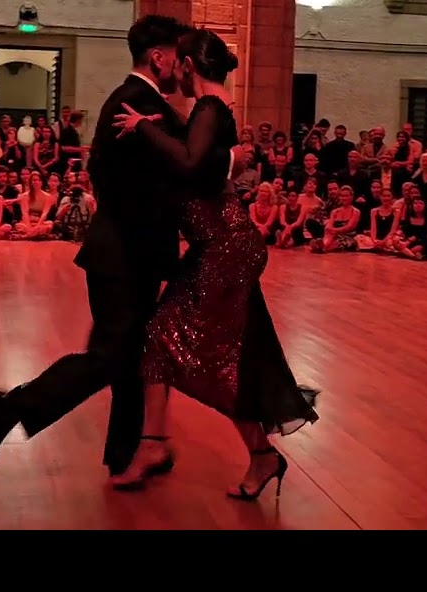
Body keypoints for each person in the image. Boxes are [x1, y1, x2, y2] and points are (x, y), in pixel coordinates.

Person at [107, 28, 318, 499]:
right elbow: (203, 163)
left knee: (200, 353)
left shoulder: (209, 108)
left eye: (177, 66)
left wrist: (142, 126)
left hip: (225, 246)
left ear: (186, 66)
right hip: (220, 245)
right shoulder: (211, 110)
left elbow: (187, 161)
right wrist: (221, 159)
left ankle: (161, 445)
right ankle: (209, 449)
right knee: (171, 343)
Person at [0, 15, 192, 478]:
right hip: (125, 254)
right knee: (114, 356)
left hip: (122, 250)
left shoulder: (133, 100)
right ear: (158, 58)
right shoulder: (137, 103)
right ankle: (16, 404)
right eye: (178, 57)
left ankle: (127, 454)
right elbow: (184, 165)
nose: (182, 67)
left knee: (130, 354)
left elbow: (110, 172)